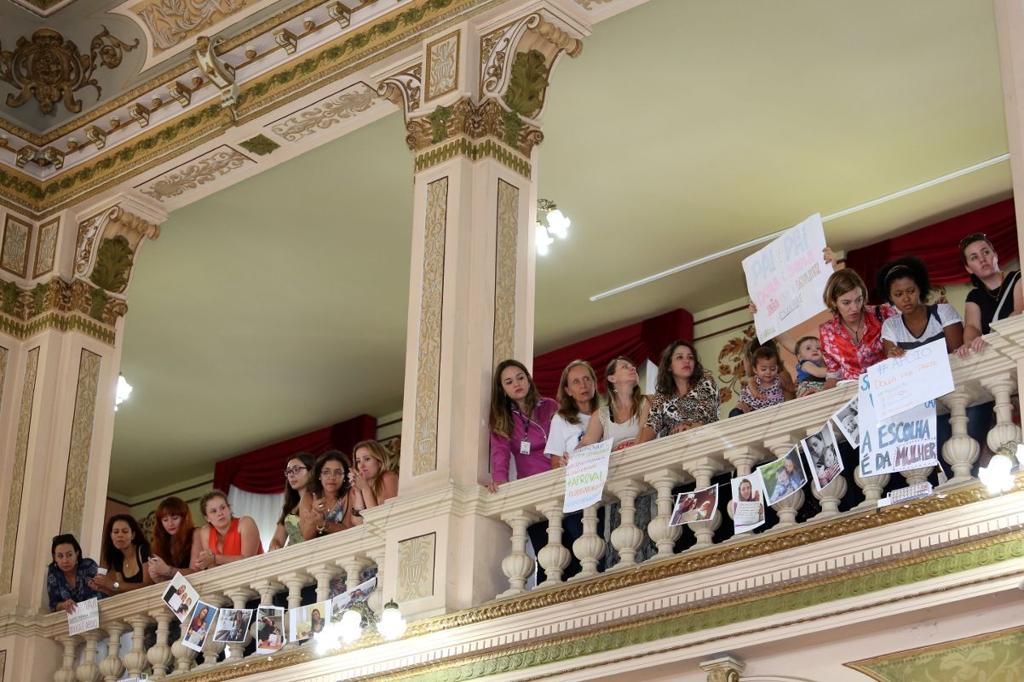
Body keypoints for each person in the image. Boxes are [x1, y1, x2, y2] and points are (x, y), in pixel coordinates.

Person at [819, 268, 898, 387]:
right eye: (846, 303)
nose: (855, 308)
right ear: (833, 302)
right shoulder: (827, 332)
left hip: (890, 384)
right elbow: (834, 374)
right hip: (853, 394)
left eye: (858, 300)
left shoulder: (884, 314)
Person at [486, 359, 558, 492]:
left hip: (561, 476)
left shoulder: (550, 405)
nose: (516, 384)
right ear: (502, 389)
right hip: (532, 486)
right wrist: (500, 480)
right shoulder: (503, 418)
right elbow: (500, 452)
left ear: (529, 380)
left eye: (520, 378)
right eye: (509, 382)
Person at [878, 257, 963, 357]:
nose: (906, 299)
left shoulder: (943, 312)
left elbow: (958, 356)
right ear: (890, 298)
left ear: (920, 288)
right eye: (898, 294)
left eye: (910, 291)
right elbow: (894, 362)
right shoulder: (890, 326)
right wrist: (893, 355)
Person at [638, 341, 719, 441]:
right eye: (680, 357)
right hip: (672, 449)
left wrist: (685, 428)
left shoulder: (706, 382)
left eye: (690, 357)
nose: (687, 361)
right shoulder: (662, 394)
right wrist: (640, 446)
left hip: (704, 440)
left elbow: (704, 416)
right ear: (669, 366)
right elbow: (652, 425)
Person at [958, 232, 1023, 356]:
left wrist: (989, 339)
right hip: (996, 356)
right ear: (968, 268)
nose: (982, 259)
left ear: (996, 255)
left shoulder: (1018, 277)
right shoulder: (974, 296)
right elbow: (972, 327)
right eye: (974, 257)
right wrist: (969, 345)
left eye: (986, 252)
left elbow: (1019, 313)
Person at [579, 356, 651, 451]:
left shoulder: (649, 400)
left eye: (633, 367)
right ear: (612, 378)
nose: (633, 368)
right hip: (616, 465)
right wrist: (569, 458)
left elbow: (646, 435)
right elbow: (584, 445)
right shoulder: (600, 415)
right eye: (625, 367)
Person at [192, 490, 263, 570]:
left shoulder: (246, 523)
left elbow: (249, 560)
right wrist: (203, 562)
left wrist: (215, 559)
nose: (220, 513)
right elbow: (211, 566)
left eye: (223, 508)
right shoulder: (205, 531)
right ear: (207, 518)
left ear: (229, 508)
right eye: (213, 511)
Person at [546, 360, 599, 466]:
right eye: (576, 381)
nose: (583, 385)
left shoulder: (608, 414)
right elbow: (556, 464)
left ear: (594, 383)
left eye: (587, 379)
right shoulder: (560, 419)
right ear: (568, 391)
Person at [90, 514, 152, 595]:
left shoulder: (143, 550)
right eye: (116, 532)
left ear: (133, 535)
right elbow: (121, 592)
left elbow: (148, 585)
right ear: (111, 536)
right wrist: (103, 588)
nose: (120, 535)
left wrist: (113, 584)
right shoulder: (118, 559)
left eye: (125, 531)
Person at [298, 451, 355, 539]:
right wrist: (314, 513)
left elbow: (348, 530)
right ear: (319, 476)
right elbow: (306, 536)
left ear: (345, 477)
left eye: (338, 472)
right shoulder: (308, 498)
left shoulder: (349, 495)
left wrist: (323, 523)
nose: (332, 477)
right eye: (326, 472)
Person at [269, 453, 315, 550]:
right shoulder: (289, 507)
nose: (291, 475)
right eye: (289, 471)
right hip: (291, 558)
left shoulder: (319, 499)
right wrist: (275, 544)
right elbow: (277, 539)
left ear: (311, 471)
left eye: (296, 469)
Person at [47, 534, 103, 613]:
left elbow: (102, 594)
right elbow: (53, 604)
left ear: (77, 554)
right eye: (60, 556)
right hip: (70, 621)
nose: (65, 560)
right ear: (54, 557)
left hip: (96, 615)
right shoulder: (53, 572)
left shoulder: (88, 565)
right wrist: (63, 605)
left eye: (69, 555)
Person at [731, 344, 791, 415]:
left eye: (772, 369)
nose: (768, 372)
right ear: (755, 370)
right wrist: (755, 394)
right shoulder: (754, 380)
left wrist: (794, 386)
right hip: (754, 407)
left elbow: (789, 389)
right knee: (734, 413)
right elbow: (749, 390)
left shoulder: (779, 379)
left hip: (773, 409)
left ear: (777, 367)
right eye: (763, 369)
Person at [148, 496, 198, 581]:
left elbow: (196, 572)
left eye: (175, 518)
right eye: (165, 520)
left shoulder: (195, 533)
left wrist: (168, 570)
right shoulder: (159, 542)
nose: (170, 524)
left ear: (185, 518)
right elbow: (164, 582)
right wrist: (156, 576)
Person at [349, 440, 399, 522]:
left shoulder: (388, 477)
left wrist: (365, 489)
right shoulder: (357, 488)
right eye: (358, 461)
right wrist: (358, 492)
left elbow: (379, 520)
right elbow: (357, 523)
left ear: (379, 462)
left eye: (367, 459)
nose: (361, 465)